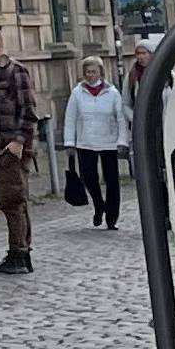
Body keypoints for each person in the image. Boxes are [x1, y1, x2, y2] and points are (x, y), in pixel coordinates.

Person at [0, 26, 39, 274]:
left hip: (10, 148)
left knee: (14, 201)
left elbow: (28, 111)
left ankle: (19, 253)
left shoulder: (15, 72)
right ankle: (19, 251)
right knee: (10, 202)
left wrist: (19, 142)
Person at [60, 56, 132, 230]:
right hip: (86, 142)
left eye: (93, 71)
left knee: (112, 180)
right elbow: (70, 118)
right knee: (89, 178)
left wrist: (122, 141)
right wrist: (70, 142)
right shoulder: (77, 93)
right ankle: (99, 204)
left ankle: (112, 217)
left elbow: (121, 118)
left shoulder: (112, 93)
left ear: (100, 72)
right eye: (87, 72)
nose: (90, 75)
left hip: (109, 142)